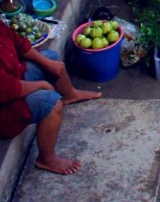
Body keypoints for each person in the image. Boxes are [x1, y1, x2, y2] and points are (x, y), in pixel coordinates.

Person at [0, 21, 101, 175]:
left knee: (51, 58)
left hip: (14, 76)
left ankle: (70, 95)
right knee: (51, 103)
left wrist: (48, 64)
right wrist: (41, 85)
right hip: (5, 109)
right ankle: (46, 158)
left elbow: (20, 44)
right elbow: (6, 88)